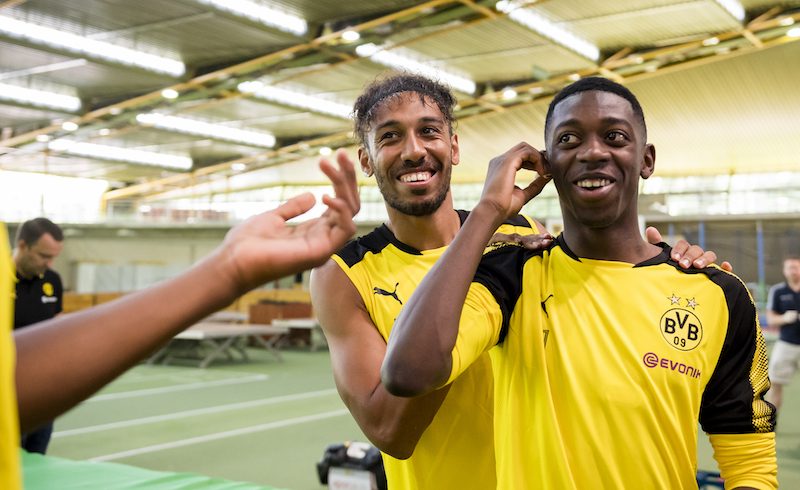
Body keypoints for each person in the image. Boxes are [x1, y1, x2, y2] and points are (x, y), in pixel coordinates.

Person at [310, 73, 728, 490]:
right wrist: (479, 260)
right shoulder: (343, 274)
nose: (414, 150)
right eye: (389, 137)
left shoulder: (524, 233)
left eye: (429, 132)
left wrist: (667, 266)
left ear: (453, 147)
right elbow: (390, 433)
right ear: (366, 159)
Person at [0, 155, 359, 490]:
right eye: (44, 256)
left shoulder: (43, 278)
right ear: (25, 246)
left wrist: (231, 268)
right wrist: (228, 269)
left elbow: (13, 380)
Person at [12, 218, 64, 454]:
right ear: (23, 246)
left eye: (53, 257)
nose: (49, 263)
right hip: (9, 394)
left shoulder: (52, 281)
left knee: (38, 458)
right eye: (43, 256)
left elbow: (55, 328)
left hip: (43, 393)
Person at [765, 255, 800, 412]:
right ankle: (772, 419)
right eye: (790, 268)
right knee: (774, 383)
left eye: (796, 267)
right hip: (786, 344)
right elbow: (771, 319)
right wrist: (784, 318)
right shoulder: (777, 291)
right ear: (784, 271)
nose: (793, 271)